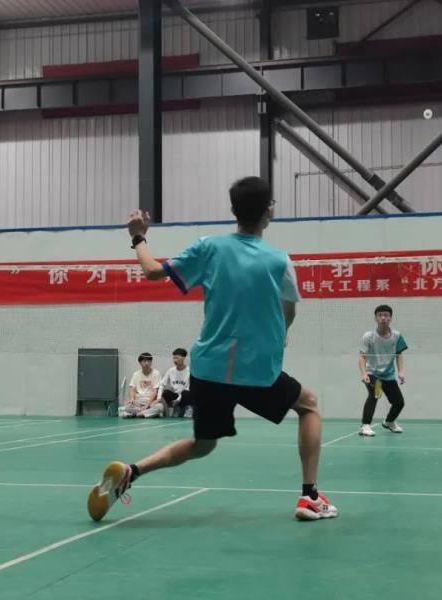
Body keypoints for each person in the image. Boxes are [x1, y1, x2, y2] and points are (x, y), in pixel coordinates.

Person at [88, 176, 337, 522]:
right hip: (256, 372)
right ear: (269, 212)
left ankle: (132, 471)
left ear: (233, 211)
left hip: (207, 369)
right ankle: (309, 497)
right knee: (308, 405)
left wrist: (138, 235)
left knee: (202, 444)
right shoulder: (280, 261)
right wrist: (278, 337)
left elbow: (152, 271)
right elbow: (289, 313)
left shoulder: (208, 248)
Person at [358, 304, 408, 437]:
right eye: (380, 315)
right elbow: (362, 357)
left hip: (389, 375)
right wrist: (364, 374)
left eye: (386, 315)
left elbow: (399, 355)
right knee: (375, 393)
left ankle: (389, 422)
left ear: (390, 318)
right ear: (376, 318)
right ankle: (365, 425)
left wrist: (401, 372)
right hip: (373, 374)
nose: (383, 318)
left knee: (399, 402)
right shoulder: (368, 336)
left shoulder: (397, 336)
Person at [118, 353, 162, 418]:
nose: (147, 363)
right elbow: (132, 388)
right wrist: (132, 399)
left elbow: (155, 391)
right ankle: (144, 413)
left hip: (150, 401)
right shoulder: (136, 374)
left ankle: (136, 413)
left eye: (149, 361)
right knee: (127, 406)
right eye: (144, 361)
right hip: (139, 400)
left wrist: (147, 405)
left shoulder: (156, 373)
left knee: (160, 407)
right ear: (140, 363)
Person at [158, 348, 193, 417]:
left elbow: (189, 388)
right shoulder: (171, 370)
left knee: (185, 393)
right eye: (174, 358)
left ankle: (185, 409)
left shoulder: (189, 371)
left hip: (184, 396)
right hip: (175, 395)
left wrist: (178, 400)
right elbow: (161, 384)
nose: (175, 360)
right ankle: (170, 410)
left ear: (183, 358)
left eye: (177, 358)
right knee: (166, 392)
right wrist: (158, 397)